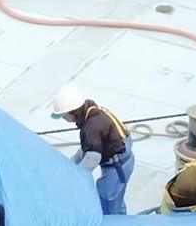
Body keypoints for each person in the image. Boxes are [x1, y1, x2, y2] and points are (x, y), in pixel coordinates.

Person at [52, 86, 135, 215]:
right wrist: (72, 163)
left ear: (72, 111)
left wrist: (74, 177)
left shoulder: (91, 127)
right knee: (116, 199)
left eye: (64, 116)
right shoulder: (93, 111)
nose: (64, 119)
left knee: (108, 202)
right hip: (123, 158)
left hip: (117, 167)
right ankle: (122, 217)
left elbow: (92, 158)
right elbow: (91, 146)